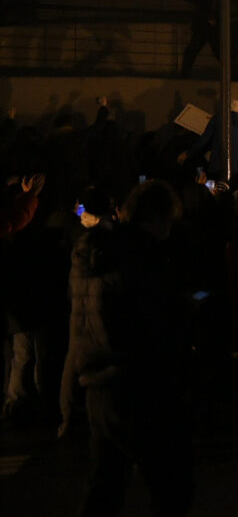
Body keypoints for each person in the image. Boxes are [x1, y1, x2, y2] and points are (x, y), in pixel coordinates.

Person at [68, 180, 194, 516]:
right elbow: (153, 320)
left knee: (105, 485)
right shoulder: (142, 256)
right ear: (156, 219)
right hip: (139, 382)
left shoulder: (92, 254)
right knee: (171, 484)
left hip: (98, 380)